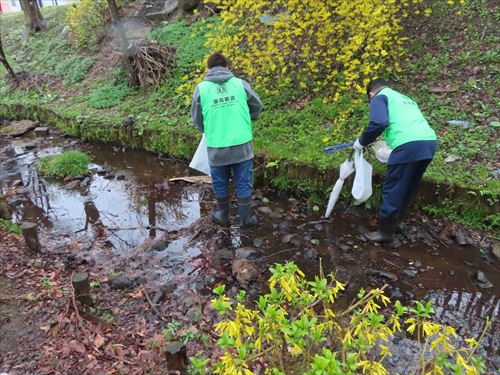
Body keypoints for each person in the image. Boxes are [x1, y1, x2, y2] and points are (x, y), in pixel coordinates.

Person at [353, 78, 437, 243]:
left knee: (392, 188)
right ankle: (395, 225)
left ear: (371, 94)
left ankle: (385, 234)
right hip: (428, 143)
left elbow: (379, 122)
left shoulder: (379, 97)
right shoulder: (404, 98)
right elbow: (406, 124)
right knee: (407, 187)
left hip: (409, 145)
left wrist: (361, 141)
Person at [191, 52, 263, 229]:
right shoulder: (240, 84)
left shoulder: (201, 89)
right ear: (227, 67)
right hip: (242, 144)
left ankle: (222, 214)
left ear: (208, 69)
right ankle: (246, 218)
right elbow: (257, 107)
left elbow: (197, 119)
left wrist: (206, 130)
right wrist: (249, 117)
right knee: (244, 180)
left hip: (216, 146)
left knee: (220, 180)